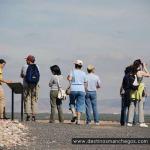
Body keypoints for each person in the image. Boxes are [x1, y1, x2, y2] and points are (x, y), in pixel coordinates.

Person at [127, 59, 150, 127]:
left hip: (133, 90)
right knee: (140, 106)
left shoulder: (131, 72)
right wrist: (145, 67)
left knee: (132, 106)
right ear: (140, 65)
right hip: (140, 90)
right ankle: (141, 122)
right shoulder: (140, 72)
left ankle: (129, 122)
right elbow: (148, 75)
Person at [20, 55, 40, 121]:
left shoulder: (24, 66)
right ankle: (33, 115)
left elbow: (21, 75)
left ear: (29, 60)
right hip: (35, 85)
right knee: (34, 99)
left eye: (26, 60)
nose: (26, 61)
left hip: (26, 85)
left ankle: (28, 115)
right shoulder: (37, 66)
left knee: (27, 99)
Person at [67, 60, 87, 125]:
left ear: (75, 65)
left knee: (72, 102)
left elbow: (69, 79)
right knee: (80, 105)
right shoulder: (84, 73)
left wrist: (68, 87)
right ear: (81, 66)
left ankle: (74, 114)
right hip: (81, 89)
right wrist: (85, 90)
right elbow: (85, 83)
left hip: (73, 88)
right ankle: (78, 120)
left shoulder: (72, 71)